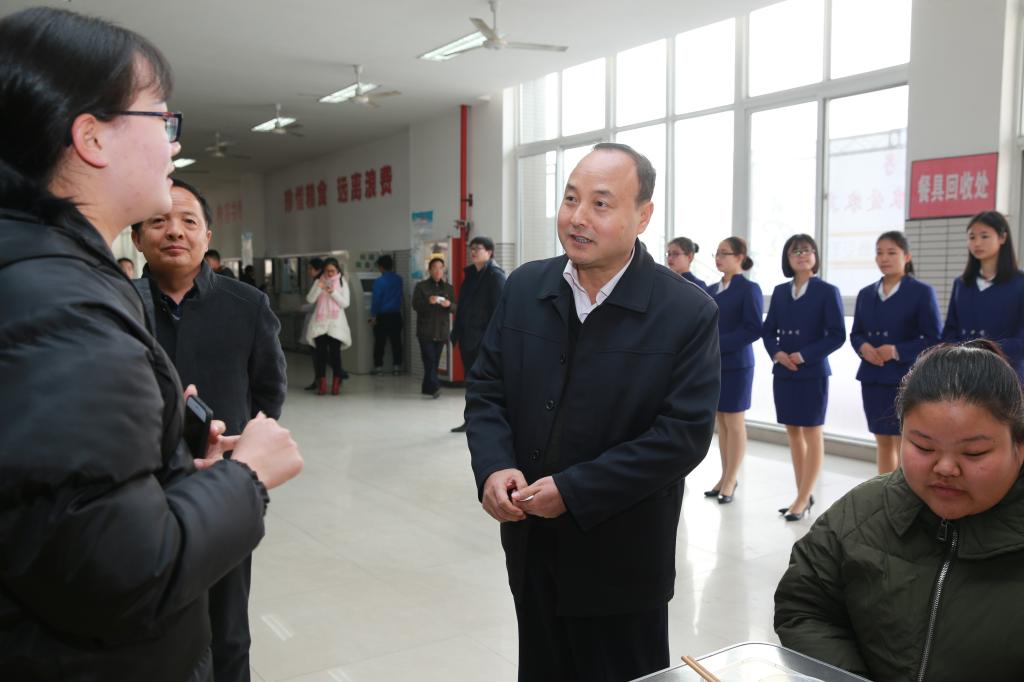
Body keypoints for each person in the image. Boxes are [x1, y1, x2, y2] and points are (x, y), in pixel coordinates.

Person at [0, 7, 302, 680]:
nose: (172, 144)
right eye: (161, 120)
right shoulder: (66, 310)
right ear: (91, 138)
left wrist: (167, 469)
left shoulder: (50, 273)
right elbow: (123, 572)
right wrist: (248, 476)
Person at [466, 142, 720, 682]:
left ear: (643, 216)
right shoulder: (526, 288)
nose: (577, 217)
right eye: (570, 199)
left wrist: (575, 490)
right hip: (531, 546)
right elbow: (487, 388)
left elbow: (682, 436)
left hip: (623, 563)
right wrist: (493, 465)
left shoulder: (685, 312)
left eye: (600, 204)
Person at [775, 340, 1024, 681]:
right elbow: (805, 607)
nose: (945, 468)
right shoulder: (858, 515)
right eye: (923, 446)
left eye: (974, 453)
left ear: (1018, 445)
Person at [131, 177, 287, 682]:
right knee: (146, 621)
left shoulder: (247, 305)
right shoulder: (115, 305)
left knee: (228, 624)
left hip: (222, 488)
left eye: (188, 221)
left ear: (207, 235)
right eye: (159, 220)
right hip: (136, 489)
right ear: (137, 238)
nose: (175, 231)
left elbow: (269, 393)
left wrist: (240, 458)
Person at [762, 234, 845, 521]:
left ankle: (802, 497)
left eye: (806, 250)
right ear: (787, 258)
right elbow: (767, 331)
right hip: (784, 371)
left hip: (812, 372)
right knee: (793, 432)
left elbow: (837, 335)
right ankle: (803, 495)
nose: (801, 255)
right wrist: (777, 353)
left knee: (812, 432)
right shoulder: (780, 292)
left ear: (815, 256)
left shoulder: (827, 291)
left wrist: (804, 355)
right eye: (795, 251)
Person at [850, 231, 941, 474]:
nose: (884, 258)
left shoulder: (921, 292)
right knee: (881, 440)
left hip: (905, 377)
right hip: (873, 377)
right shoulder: (866, 293)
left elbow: (934, 338)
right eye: (879, 253)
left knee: (905, 440)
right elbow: (856, 333)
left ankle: (906, 492)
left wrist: (896, 351)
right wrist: (863, 347)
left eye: (891, 252)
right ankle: (886, 490)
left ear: (907, 256)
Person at [704, 237, 762, 504]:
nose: (719, 258)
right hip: (715, 363)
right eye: (717, 253)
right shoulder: (713, 289)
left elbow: (753, 329)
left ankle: (731, 479)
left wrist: (718, 343)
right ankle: (725, 475)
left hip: (738, 364)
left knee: (735, 422)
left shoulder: (749, 289)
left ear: (740, 257)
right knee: (722, 422)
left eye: (724, 253)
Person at [941, 210, 1024, 382]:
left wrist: (986, 351)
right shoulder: (961, 284)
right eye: (972, 237)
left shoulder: (1020, 282)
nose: (977, 243)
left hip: (1007, 373)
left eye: (984, 236)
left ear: (1002, 237)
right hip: (965, 373)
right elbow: (950, 330)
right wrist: (960, 353)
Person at [450, 235, 507, 433]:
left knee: (484, 385)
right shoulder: (471, 275)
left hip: (484, 342)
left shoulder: (495, 276)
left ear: (489, 252)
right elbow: (463, 307)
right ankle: (471, 420)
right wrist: (457, 333)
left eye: (478, 248)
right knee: (472, 384)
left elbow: (500, 312)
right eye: (471, 248)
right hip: (468, 339)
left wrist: (490, 341)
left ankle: (484, 422)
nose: (473, 252)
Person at [412, 257, 456, 398]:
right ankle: (435, 386)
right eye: (435, 268)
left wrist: (449, 305)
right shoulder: (421, 287)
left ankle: (426, 387)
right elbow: (415, 305)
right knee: (429, 359)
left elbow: (456, 308)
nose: (438, 271)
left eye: (440, 268)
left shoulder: (449, 288)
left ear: (443, 270)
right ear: (430, 270)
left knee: (434, 361)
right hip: (425, 330)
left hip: (442, 331)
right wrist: (428, 302)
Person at [306, 257, 351, 395]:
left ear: (337, 270)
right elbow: (310, 299)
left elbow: (345, 303)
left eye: (332, 271)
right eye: (327, 271)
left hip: (336, 324)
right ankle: (322, 384)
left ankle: (336, 384)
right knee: (321, 355)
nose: (330, 274)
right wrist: (318, 288)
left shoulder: (342, 282)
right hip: (320, 324)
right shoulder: (319, 281)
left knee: (335, 355)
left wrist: (333, 292)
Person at [369, 253, 403, 374]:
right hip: (396, 315)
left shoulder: (379, 282)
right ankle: (397, 367)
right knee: (396, 342)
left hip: (383, 317)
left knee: (380, 342)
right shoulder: (399, 280)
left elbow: (376, 300)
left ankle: (378, 368)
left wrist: (373, 316)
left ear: (381, 267)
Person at [302, 257, 325, 391]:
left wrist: (302, 307)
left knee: (317, 354)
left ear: (318, 269)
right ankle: (319, 379)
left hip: (317, 322)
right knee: (317, 354)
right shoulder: (317, 282)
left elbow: (314, 303)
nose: (309, 271)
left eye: (311, 268)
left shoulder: (319, 283)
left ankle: (319, 380)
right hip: (316, 322)